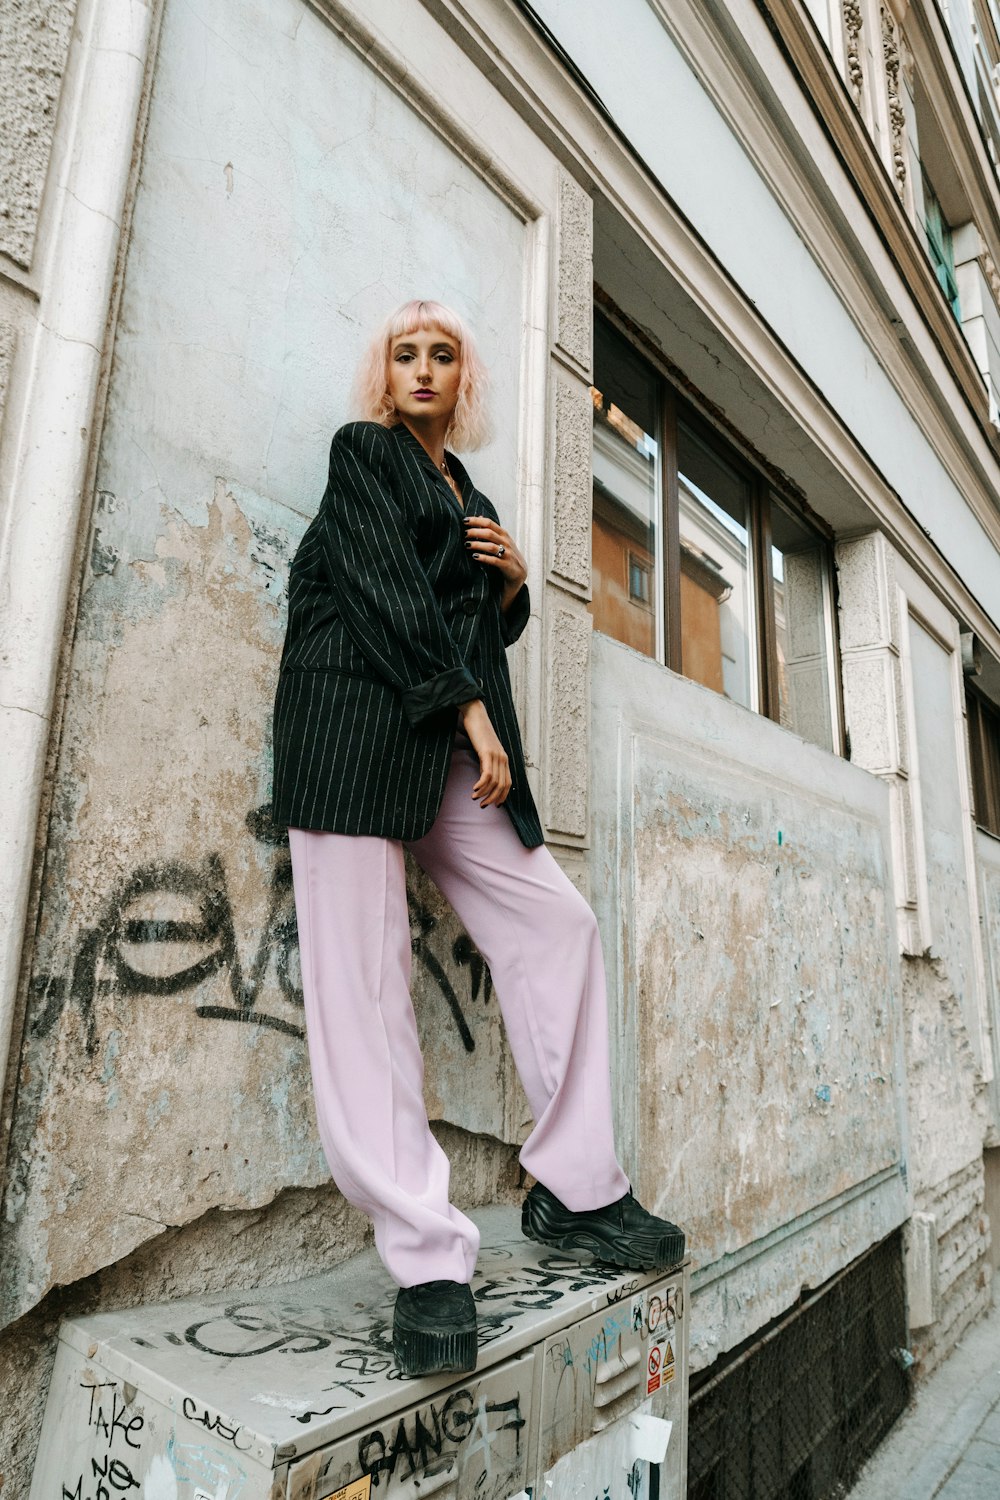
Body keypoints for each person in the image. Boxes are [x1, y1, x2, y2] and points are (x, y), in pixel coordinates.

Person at [271, 299, 685, 1378]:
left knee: (558, 924)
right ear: (384, 375)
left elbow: (460, 618)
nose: (421, 368)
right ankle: (426, 1263)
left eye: (441, 355)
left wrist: (505, 590)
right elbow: (384, 593)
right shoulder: (362, 455)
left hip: (447, 735)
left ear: (466, 381)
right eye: (403, 353)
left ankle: (576, 1188)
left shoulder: (472, 492)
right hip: (354, 727)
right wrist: (470, 713)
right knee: (365, 994)